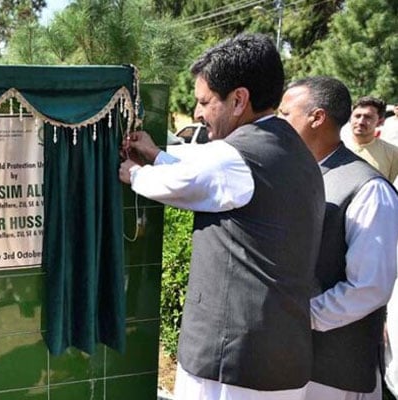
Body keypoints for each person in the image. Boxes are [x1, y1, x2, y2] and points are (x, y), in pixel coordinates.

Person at [119, 33, 325, 399]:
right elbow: (206, 179)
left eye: (204, 101)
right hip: (281, 359)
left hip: (232, 365)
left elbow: (184, 182)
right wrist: (155, 155)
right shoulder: (292, 151)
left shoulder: (237, 156)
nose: (197, 113)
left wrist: (133, 172)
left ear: (238, 99)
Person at [278, 76, 398, 400]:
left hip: (335, 371)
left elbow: (370, 286)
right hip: (293, 359)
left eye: (286, 114)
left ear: (317, 118)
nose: (278, 123)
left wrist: (301, 316)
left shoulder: (369, 189)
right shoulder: (299, 173)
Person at [343, 96, 398, 184]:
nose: (361, 122)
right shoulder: (334, 147)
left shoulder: (393, 153)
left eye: (368, 117)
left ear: (380, 122)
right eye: (357, 116)